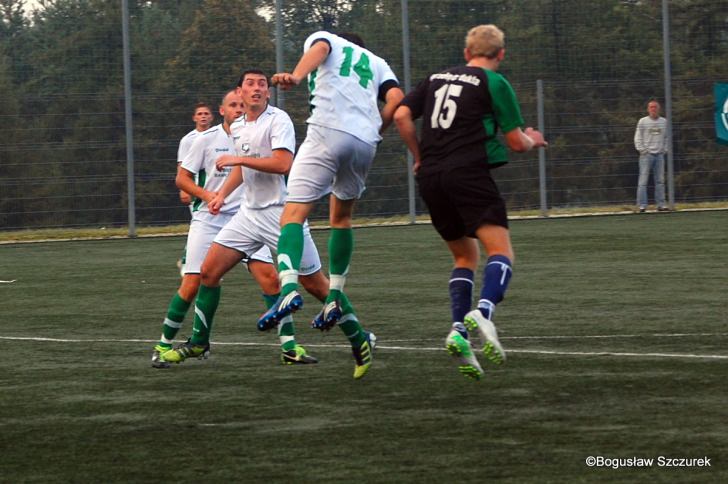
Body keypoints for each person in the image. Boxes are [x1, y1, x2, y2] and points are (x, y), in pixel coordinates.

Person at [393, 24, 547, 381]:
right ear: (501, 54)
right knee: (501, 251)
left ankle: (458, 332)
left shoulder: (434, 78)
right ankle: (484, 311)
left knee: (464, 256)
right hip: (468, 173)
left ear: (466, 53)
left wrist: (418, 154)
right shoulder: (494, 82)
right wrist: (534, 140)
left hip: (431, 176)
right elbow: (515, 142)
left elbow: (401, 115)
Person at [162, 70, 329, 366]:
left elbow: (281, 164)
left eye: (261, 84)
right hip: (236, 217)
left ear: (267, 93)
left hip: (273, 213)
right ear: (234, 98)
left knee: (308, 283)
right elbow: (193, 177)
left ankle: (350, 333)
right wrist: (217, 195)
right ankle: (190, 342)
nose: (254, 90)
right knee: (205, 275)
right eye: (248, 86)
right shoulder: (223, 133)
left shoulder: (273, 121)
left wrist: (236, 165)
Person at [265, 31, 404, 379]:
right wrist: (377, 127)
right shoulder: (378, 62)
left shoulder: (327, 39)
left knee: (292, 215)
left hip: (327, 131)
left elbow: (321, 47)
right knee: (340, 219)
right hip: (364, 141)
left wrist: (296, 76)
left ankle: (288, 289)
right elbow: (398, 98)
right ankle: (336, 298)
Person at [152, 89, 279, 368]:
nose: (237, 109)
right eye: (232, 105)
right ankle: (164, 343)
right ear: (221, 110)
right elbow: (181, 180)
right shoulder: (204, 140)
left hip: (247, 218)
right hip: (210, 219)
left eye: (241, 105)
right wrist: (208, 196)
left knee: (270, 277)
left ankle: (290, 346)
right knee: (192, 283)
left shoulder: (255, 136)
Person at [176, 103, 213, 275]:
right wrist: (184, 190)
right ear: (194, 118)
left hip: (214, 189)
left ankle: (188, 260)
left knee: (203, 227)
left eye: (206, 113)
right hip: (196, 191)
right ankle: (187, 263)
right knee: (199, 225)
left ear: (211, 117)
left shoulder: (218, 136)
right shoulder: (188, 140)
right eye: (200, 113)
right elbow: (182, 166)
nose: (203, 116)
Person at [634, 99, 669, 212]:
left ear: (659, 109)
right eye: (651, 107)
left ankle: (661, 204)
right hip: (646, 155)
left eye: (655, 107)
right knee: (643, 181)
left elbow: (667, 137)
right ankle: (642, 205)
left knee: (660, 181)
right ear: (648, 109)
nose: (653, 109)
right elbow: (638, 137)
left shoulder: (664, 122)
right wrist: (642, 150)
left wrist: (664, 150)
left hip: (659, 155)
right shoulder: (643, 121)